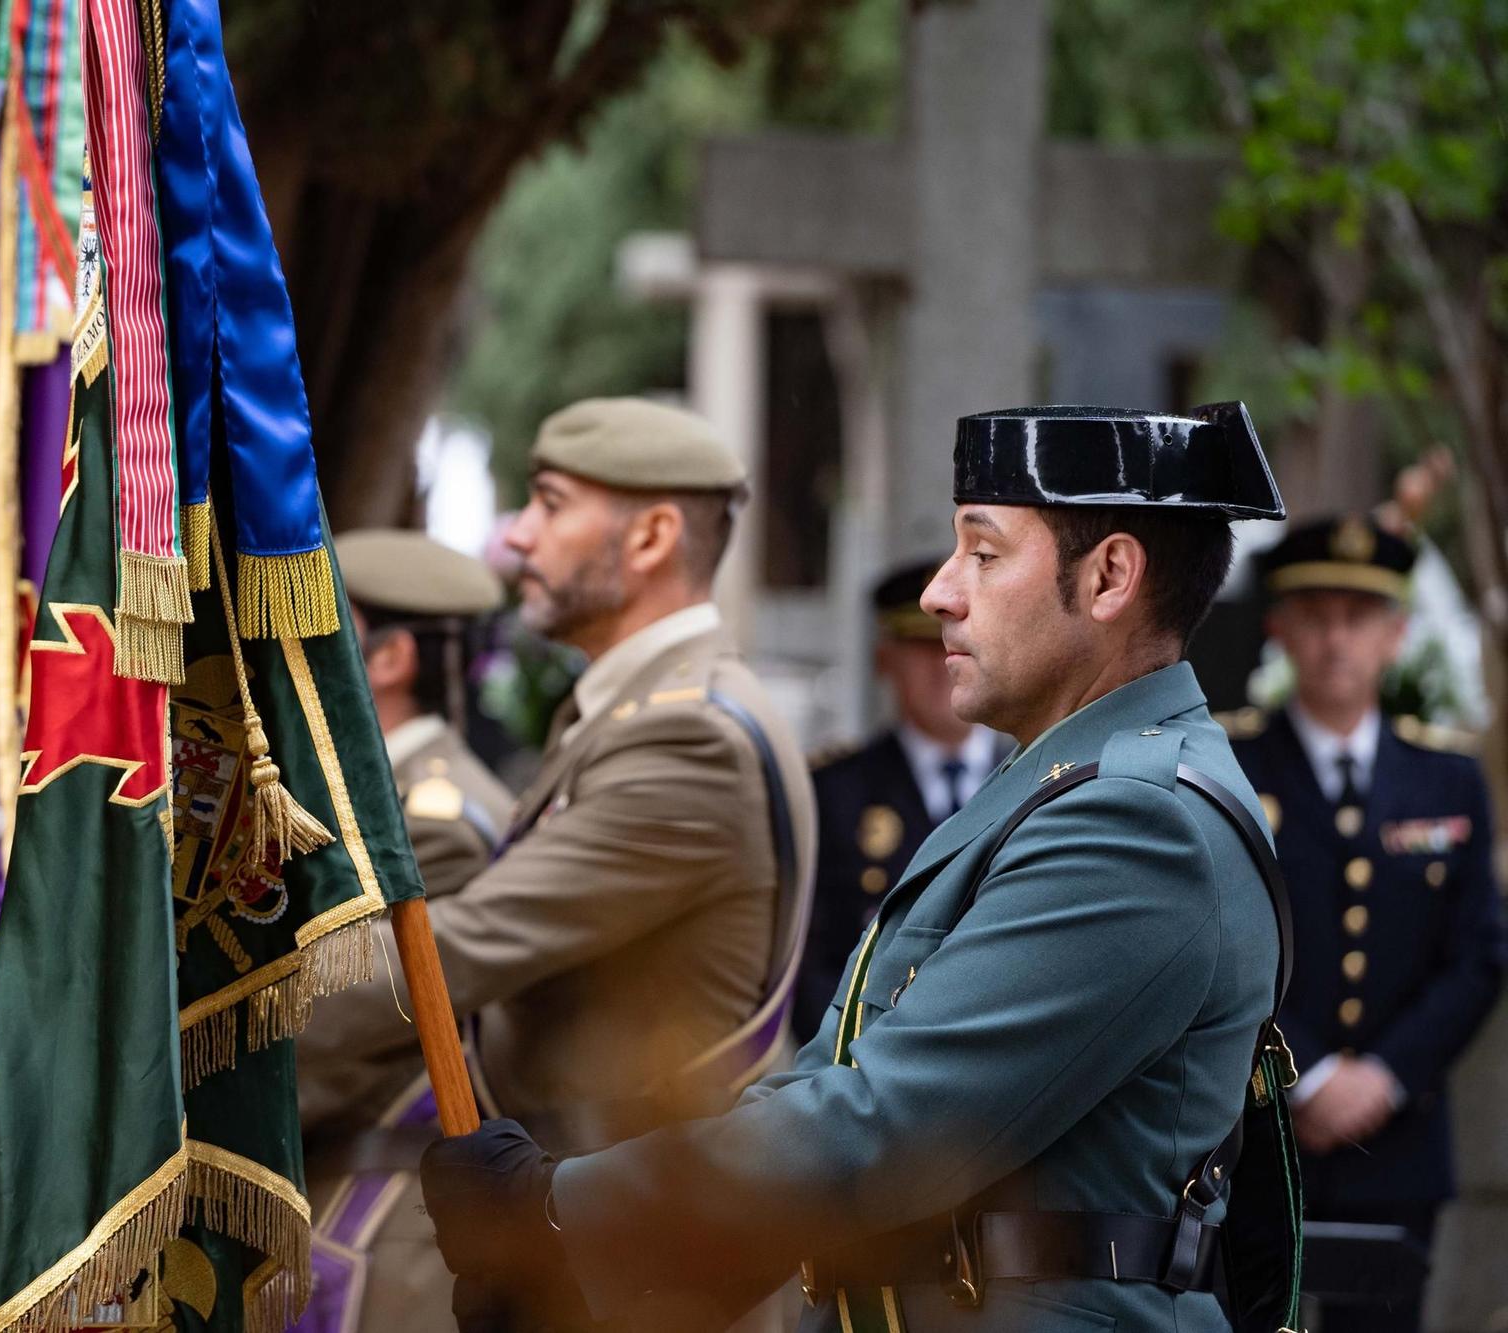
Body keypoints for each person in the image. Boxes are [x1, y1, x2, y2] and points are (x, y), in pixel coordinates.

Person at [420, 402, 1304, 1333]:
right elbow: (830, 1082)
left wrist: (562, 1211)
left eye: (985, 553)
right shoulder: (1065, 783)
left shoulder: (1138, 821)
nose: (939, 593)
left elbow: (886, 1126)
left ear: (1111, 576)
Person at [295, 396, 817, 1330]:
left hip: (640, 1259)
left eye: (549, 503)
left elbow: (458, 946)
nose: (517, 536)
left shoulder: (685, 737)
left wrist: (207, 1017)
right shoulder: (640, 711)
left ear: (654, 535)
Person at [1225, 515, 1504, 1333]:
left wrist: (1381, 1078)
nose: (1336, 639)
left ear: (1396, 635)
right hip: (1261, 1131)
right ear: (1279, 628)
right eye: (1315, 616)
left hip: (1401, 1141)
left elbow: (1478, 955)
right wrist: (1304, 1073)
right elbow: (1218, 942)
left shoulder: (1449, 780)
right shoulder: (1231, 770)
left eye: (1359, 617)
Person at [292, 529, 517, 1333]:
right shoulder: (371, 795)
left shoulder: (439, 817)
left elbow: (360, 1023)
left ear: (387, 661)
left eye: (318, 626)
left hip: (374, 1215)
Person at [796, 560, 1008, 1040]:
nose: (943, 664)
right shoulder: (832, 792)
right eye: (920, 647)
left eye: (957, 645)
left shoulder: (1038, 778)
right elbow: (809, 964)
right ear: (883, 660)